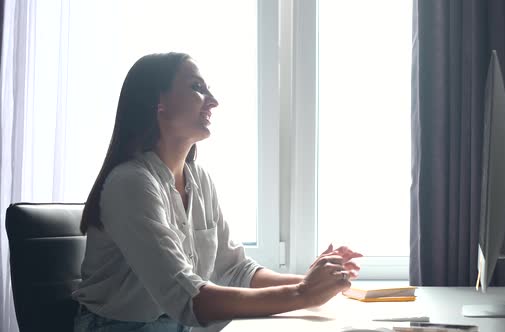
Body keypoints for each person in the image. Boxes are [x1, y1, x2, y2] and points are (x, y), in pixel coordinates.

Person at [72, 52, 362, 332]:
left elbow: (236, 271)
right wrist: (302, 293)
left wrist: (317, 282)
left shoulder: (199, 179)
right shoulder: (131, 183)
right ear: (159, 103)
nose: (213, 101)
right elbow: (190, 299)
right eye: (197, 88)